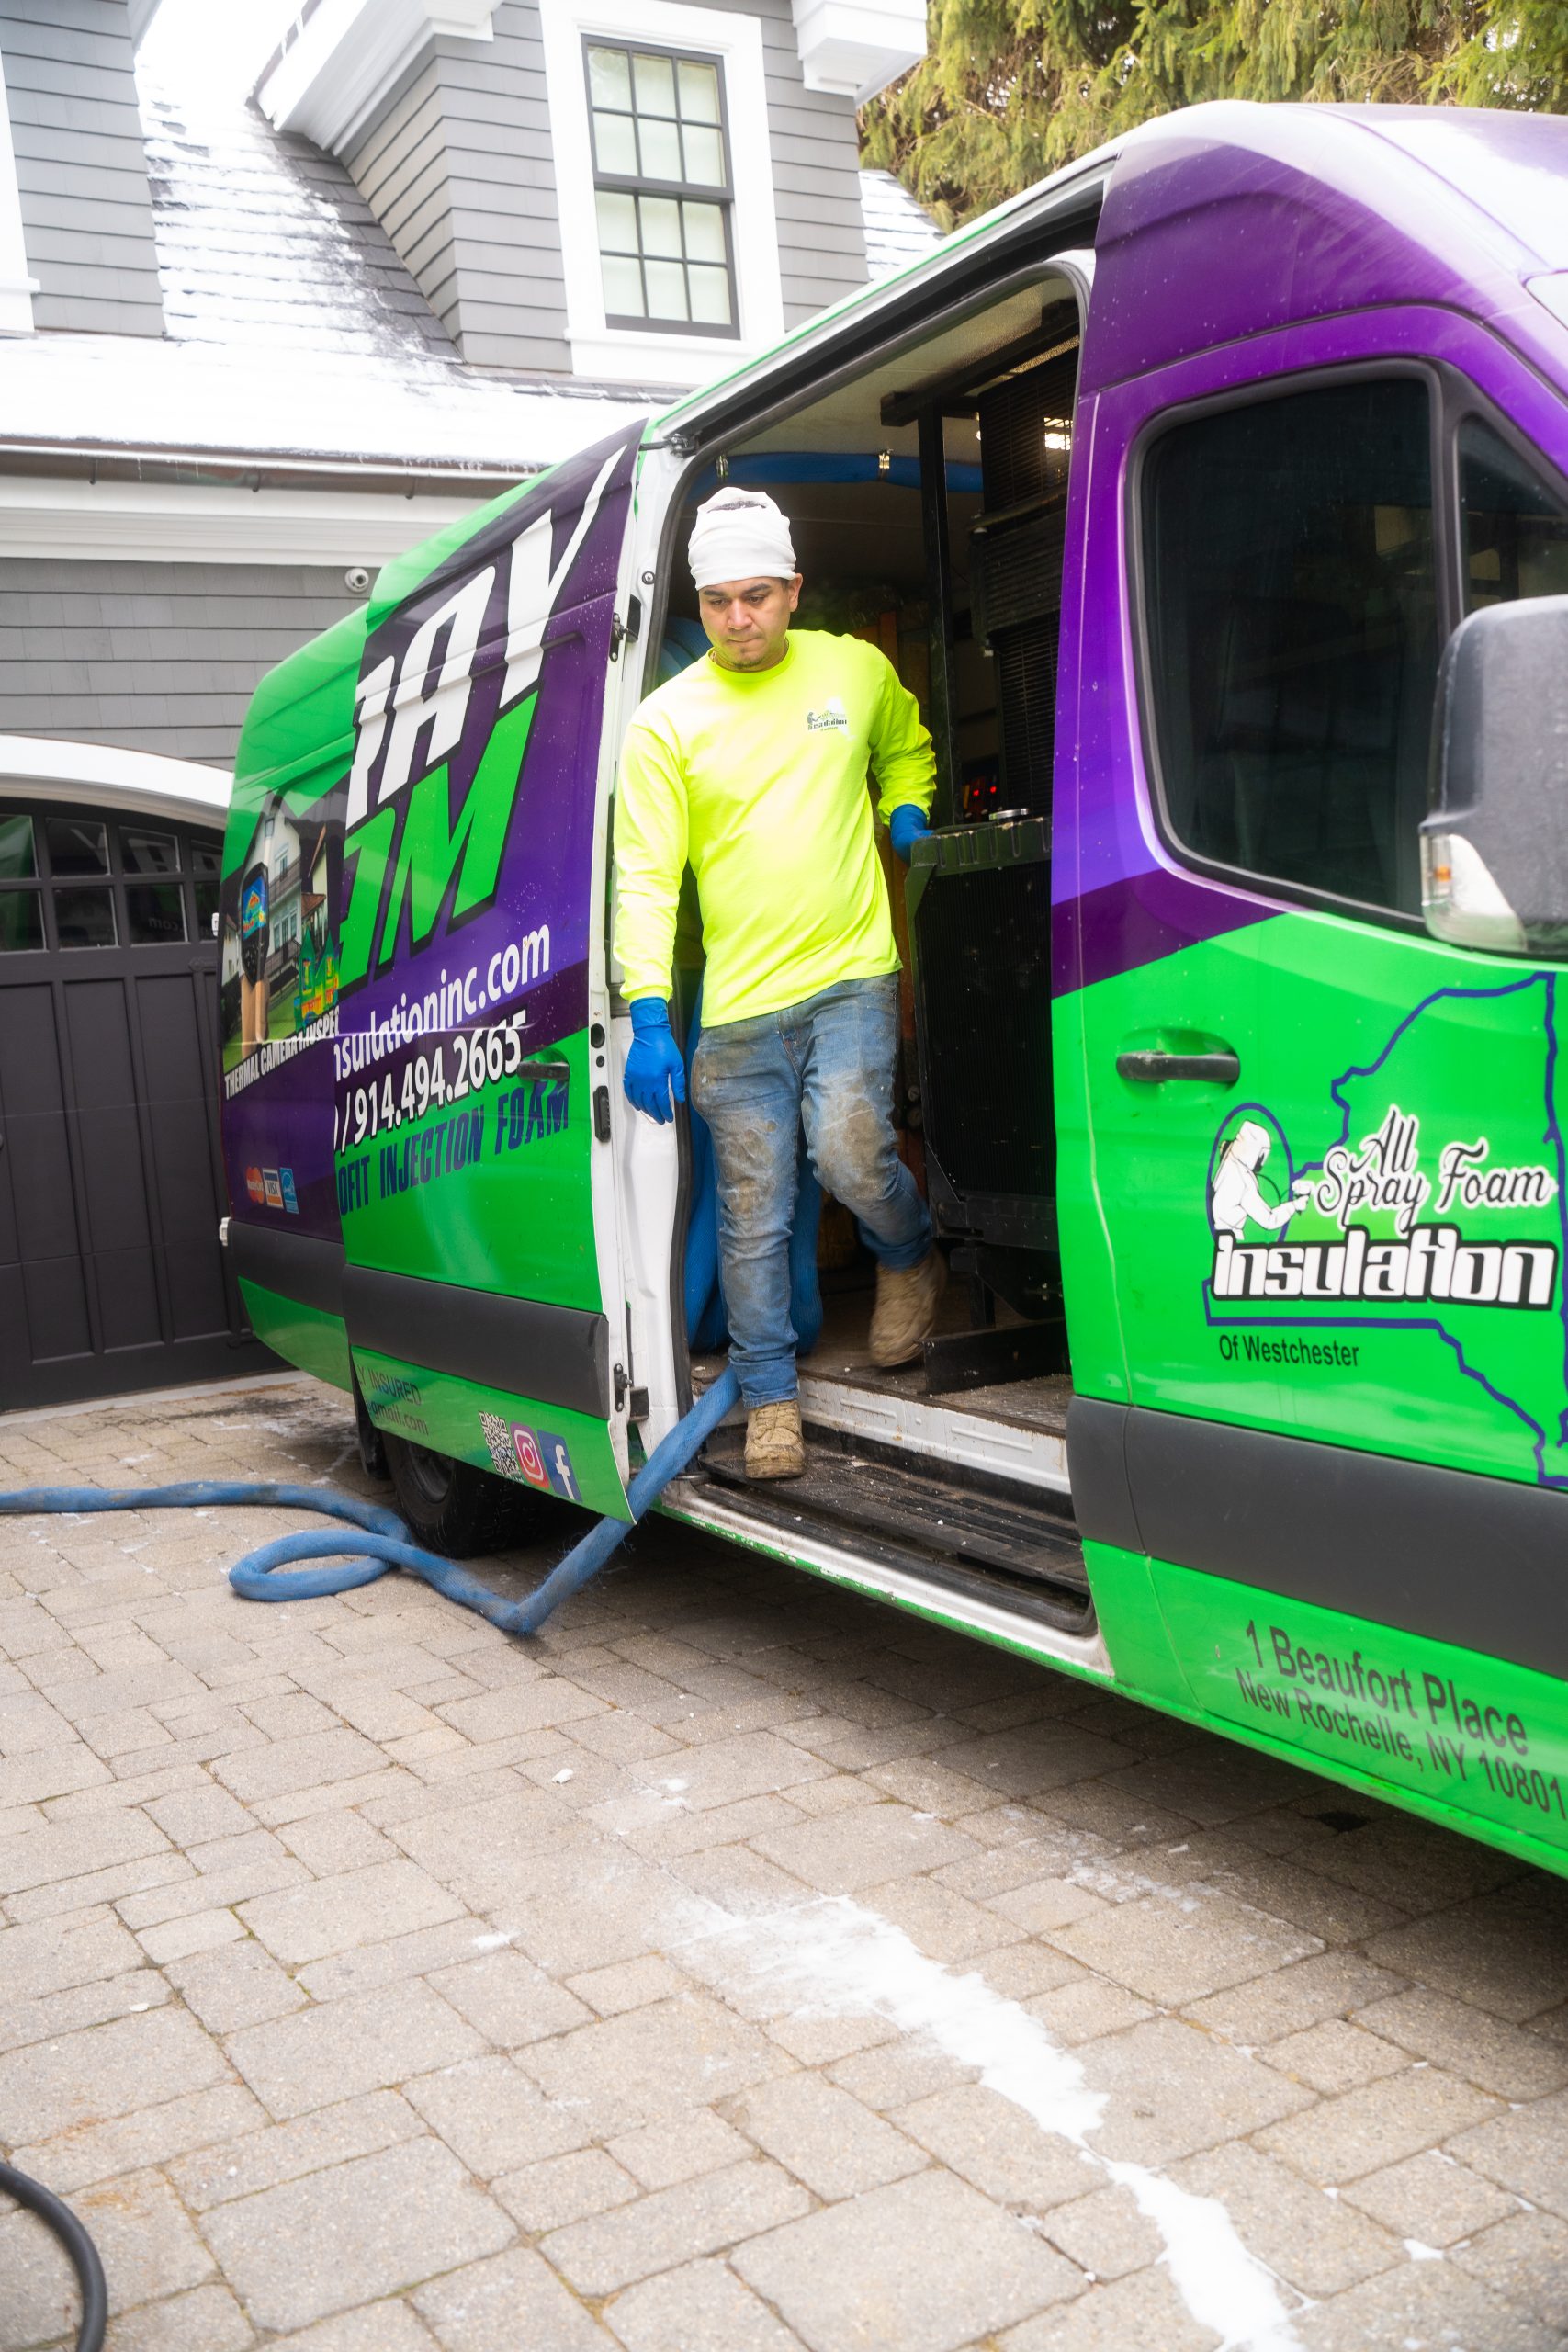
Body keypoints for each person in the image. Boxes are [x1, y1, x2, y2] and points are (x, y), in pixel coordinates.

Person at [614, 488, 943, 1480]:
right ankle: (768, 1398)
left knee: (850, 1155)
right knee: (753, 1213)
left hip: (850, 975)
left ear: (794, 589)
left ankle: (908, 1253)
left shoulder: (855, 668)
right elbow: (644, 877)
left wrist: (908, 808)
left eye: (756, 596)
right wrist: (647, 1013)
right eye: (717, 602)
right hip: (738, 1009)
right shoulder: (665, 723)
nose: (737, 619)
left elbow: (904, 744)